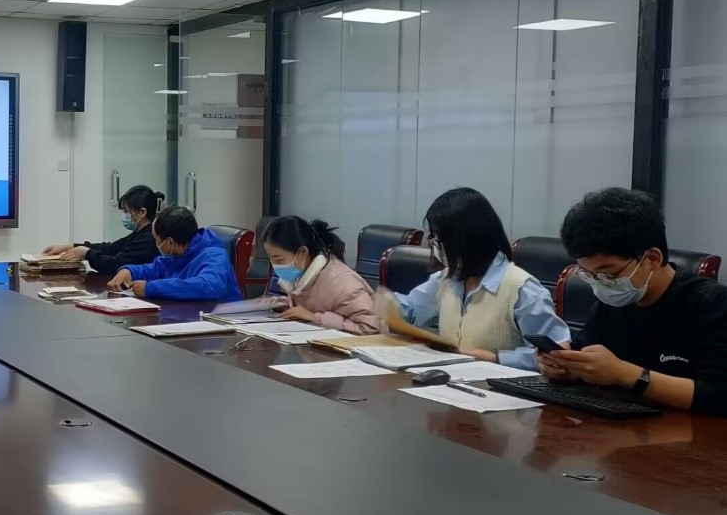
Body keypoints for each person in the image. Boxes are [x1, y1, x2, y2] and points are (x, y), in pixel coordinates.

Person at [540, 187, 727, 414]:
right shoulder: (611, 303)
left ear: (652, 258)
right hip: (620, 425)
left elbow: (718, 395)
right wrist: (565, 367)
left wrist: (624, 374)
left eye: (609, 274)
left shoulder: (712, 304)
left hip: (690, 431)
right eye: (589, 275)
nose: (601, 284)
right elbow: (584, 354)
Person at [381, 187, 570, 369]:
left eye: (439, 241)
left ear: (467, 240)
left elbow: (557, 355)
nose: (435, 248)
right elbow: (410, 312)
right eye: (433, 240)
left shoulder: (521, 289)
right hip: (452, 381)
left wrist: (495, 358)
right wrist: (385, 303)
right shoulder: (446, 280)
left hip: (501, 387)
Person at [261, 216, 382, 334]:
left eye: (279, 260)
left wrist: (315, 317)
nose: (275, 266)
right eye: (271, 259)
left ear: (303, 252)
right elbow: (311, 304)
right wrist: (283, 305)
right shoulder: (300, 275)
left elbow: (370, 328)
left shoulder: (342, 282)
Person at [108, 205, 242, 302]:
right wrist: (129, 271)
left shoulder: (215, 256)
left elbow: (208, 286)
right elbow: (155, 268)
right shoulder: (176, 254)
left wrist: (150, 288)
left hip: (219, 322)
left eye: (156, 239)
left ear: (170, 242)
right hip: (188, 316)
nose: (155, 243)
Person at [42, 184, 165, 274]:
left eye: (126, 211)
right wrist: (71, 246)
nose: (125, 216)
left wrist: (86, 253)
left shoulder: (148, 238)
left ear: (142, 212)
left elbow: (115, 264)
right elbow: (110, 248)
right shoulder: (139, 233)